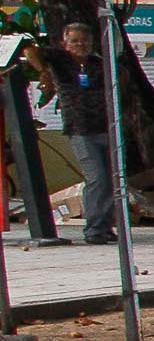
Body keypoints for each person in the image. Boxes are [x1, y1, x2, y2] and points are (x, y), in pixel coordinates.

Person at [32, 19, 118, 246]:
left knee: (111, 179)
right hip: (81, 129)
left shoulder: (97, 63)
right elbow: (30, 50)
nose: (80, 44)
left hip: (106, 127)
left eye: (84, 40)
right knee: (97, 177)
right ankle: (94, 229)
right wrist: (44, 72)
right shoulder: (60, 59)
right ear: (65, 42)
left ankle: (104, 225)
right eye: (74, 41)